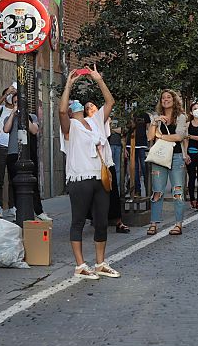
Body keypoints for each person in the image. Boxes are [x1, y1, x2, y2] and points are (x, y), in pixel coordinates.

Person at [59, 66, 120, 279]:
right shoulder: (69, 126)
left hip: (99, 176)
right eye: (71, 103)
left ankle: (100, 263)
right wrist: (68, 85)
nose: (75, 103)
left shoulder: (95, 122)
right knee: (78, 221)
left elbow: (110, 102)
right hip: (80, 178)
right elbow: (60, 111)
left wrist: (98, 79)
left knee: (102, 221)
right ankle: (80, 265)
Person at [3, 93, 51, 221]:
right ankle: (17, 210)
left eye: (19, 102)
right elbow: (6, 129)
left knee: (33, 183)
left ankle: (38, 211)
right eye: (15, 102)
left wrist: (24, 115)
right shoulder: (9, 117)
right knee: (15, 183)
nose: (17, 104)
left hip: (28, 154)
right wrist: (14, 114)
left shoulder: (32, 117)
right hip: (13, 153)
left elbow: (34, 130)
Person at [85, 102, 131, 232]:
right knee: (93, 193)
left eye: (92, 106)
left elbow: (107, 134)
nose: (91, 109)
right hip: (92, 164)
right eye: (87, 108)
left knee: (112, 191)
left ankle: (118, 221)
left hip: (106, 162)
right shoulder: (85, 123)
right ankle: (96, 219)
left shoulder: (101, 120)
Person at [147, 89, 188, 236]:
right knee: (157, 191)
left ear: (174, 99)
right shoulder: (156, 117)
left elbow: (179, 137)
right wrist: (154, 123)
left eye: (168, 97)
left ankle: (178, 224)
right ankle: (154, 223)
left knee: (177, 191)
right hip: (159, 158)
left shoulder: (181, 117)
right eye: (163, 98)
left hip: (176, 157)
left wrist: (161, 135)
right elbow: (150, 137)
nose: (166, 100)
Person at [0, 85, 16, 216]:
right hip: (0, 147)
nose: (10, 97)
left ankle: (13, 206)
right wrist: (5, 93)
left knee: (13, 179)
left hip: (12, 148)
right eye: (9, 95)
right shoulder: (1, 109)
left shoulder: (17, 110)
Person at [127, 111, 150, 198]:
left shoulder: (145, 114)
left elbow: (148, 129)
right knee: (134, 168)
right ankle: (137, 190)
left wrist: (150, 143)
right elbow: (127, 129)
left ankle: (148, 189)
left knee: (145, 167)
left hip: (142, 143)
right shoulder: (130, 113)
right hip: (131, 143)